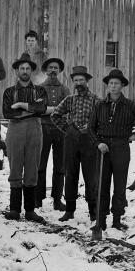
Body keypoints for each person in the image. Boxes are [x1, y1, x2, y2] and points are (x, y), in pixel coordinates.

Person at [88, 69, 135, 240]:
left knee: (119, 184)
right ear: (107, 85)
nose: (113, 86)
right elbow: (90, 128)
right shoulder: (99, 105)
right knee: (102, 184)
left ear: (122, 85)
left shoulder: (130, 105)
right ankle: (100, 220)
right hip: (103, 147)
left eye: (116, 83)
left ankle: (117, 219)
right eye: (110, 83)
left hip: (121, 147)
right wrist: (98, 143)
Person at [2, 56, 51, 222]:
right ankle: (15, 209)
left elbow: (42, 109)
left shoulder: (40, 90)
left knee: (32, 167)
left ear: (31, 71)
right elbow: (8, 113)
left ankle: (30, 210)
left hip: (35, 130)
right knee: (15, 167)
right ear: (17, 71)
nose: (25, 71)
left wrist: (22, 107)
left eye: (27, 69)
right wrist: (32, 109)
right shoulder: (9, 91)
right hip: (15, 130)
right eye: (22, 68)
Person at [53, 65, 101, 222]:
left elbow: (102, 121)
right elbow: (55, 115)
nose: (79, 83)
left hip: (90, 142)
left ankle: (93, 210)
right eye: (76, 80)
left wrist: (93, 131)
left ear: (87, 81)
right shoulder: (69, 100)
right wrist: (67, 128)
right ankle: (69, 210)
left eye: (81, 80)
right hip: (71, 141)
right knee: (71, 174)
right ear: (73, 82)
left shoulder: (96, 100)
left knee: (91, 176)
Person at [37, 57, 69, 211]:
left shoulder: (64, 89)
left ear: (60, 71)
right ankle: (38, 198)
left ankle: (57, 199)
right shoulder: (39, 88)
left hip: (61, 130)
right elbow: (38, 108)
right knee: (40, 165)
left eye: (56, 68)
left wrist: (50, 109)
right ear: (46, 70)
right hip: (43, 129)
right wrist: (55, 109)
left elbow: (68, 108)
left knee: (60, 166)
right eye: (50, 68)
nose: (53, 70)